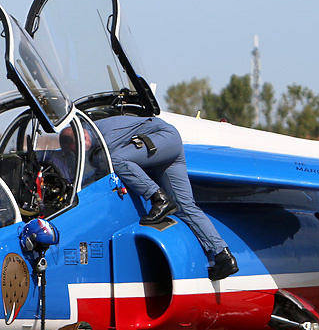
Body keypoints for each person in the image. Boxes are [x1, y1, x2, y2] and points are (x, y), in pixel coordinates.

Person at [91, 113, 238, 282]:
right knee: (185, 207)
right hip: (167, 145)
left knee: (116, 159)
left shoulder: (101, 133)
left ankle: (159, 199)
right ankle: (224, 256)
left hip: (164, 139)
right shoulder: (98, 130)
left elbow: (109, 162)